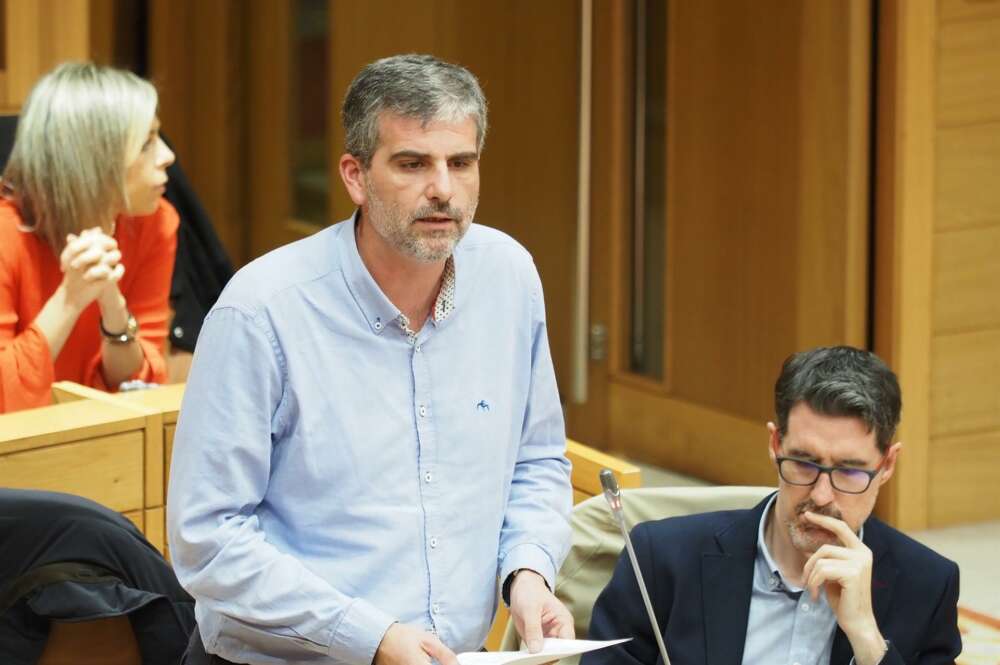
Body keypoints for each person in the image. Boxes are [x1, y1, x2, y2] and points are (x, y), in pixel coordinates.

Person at [167, 54, 574, 665]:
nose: (443, 188)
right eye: (412, 164)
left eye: (461, 163)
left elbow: (536, 459)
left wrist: (527, 570)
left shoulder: (509, 276)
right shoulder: (262, 312)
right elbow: (208, 540)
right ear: (355, 176)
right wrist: (370, 636)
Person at [583, 346, 961, 665]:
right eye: (804, 462)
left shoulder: (927, 586)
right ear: (775, 443)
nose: (821, 495)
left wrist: (868, 640)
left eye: (849, 471)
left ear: (887, 465)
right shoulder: (659, 559)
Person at [0, 62, 178, 413]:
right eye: (147, 143)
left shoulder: (156, 222)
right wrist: (70, 298)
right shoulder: (6, 234)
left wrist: (112, 305)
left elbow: (141, 388)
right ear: (94, 161)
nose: (167, 156)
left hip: (101, 442)